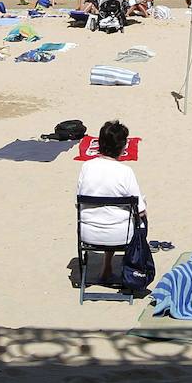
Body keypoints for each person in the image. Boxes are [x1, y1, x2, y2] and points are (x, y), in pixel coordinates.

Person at [76, 120, 147, 286]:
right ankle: (133, 269)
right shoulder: (125, 172)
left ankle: (107, 267)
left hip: (88, 232)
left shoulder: (87, 167)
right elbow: (140, 211)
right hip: (120, 234)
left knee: (107, 212)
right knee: (140, 215)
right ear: (122, 147)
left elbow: (77, 202)